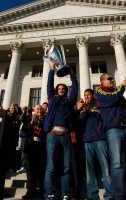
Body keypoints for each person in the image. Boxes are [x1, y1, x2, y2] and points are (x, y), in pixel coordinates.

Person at [96, 73, 126, 200]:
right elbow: (111, 99)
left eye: (112, 78)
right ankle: (119, 196)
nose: (112, 80)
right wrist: (122, 86)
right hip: (113, 130)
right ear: (102, 82)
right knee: (117, 163)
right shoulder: (100, 91)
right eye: (109, 79)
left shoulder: (117, 92)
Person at [43, 61, 78, 200]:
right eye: (60, 88)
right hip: (52, 136)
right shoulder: (52, 99)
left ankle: (65, 193)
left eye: (64, 88)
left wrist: (72, 75)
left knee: (66, 167)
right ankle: (49, 193)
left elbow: (75, 89)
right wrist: (52, 70)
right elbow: (49, 86)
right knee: (51, 166)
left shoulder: (70, 101)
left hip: (66, 136)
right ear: (57, 90)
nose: (62, 89)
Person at [81, 89, 113, 200]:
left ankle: (110, 194)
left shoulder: (99, 106)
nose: (86, 97)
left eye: (88, 95)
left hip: (100, 139)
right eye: (85, 95)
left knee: (106, 168)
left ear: (93, 95)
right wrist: (83, 111)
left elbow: (104, 118)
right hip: (87, 141)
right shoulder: (82, 108)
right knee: (89, 171)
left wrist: (92, 110)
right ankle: (92, 195)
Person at [22, 105, 47, 199]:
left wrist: (41, 121)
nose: (39, 110)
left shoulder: (45, 119)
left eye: (41, 109)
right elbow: (24, 130)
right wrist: (32, 122)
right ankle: (30, 191)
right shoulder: (29, 119)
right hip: (31, 149)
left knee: (42, 172)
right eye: (37, 109)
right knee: (30, 172)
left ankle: (42, 191)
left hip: (42, 149)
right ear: (34, 111)